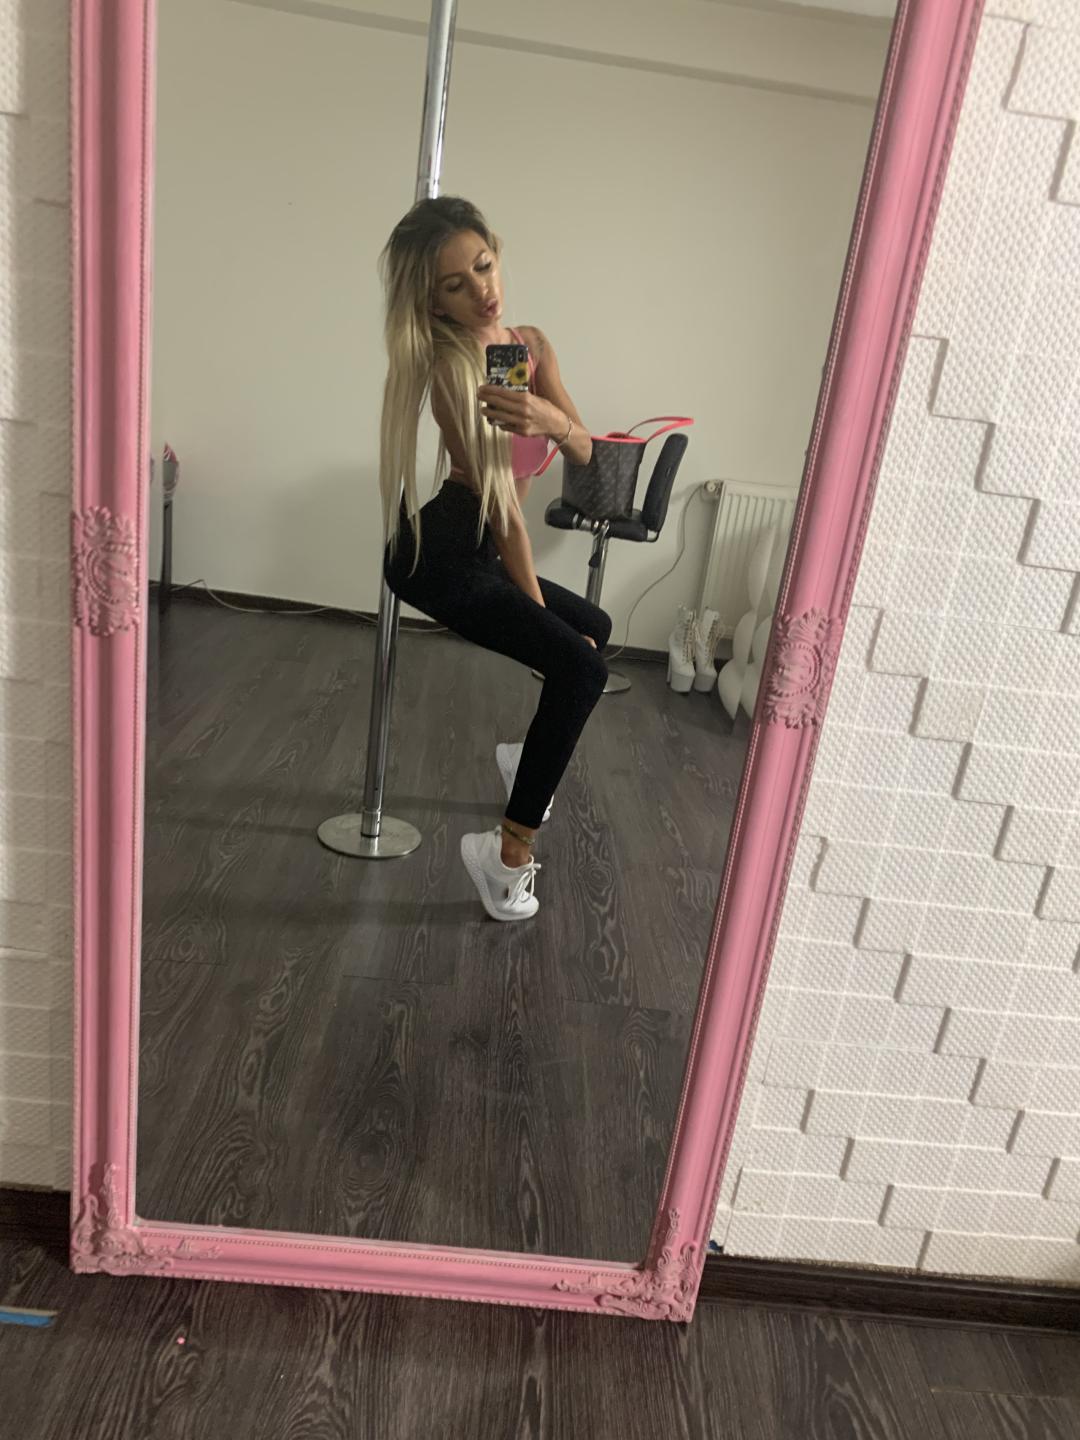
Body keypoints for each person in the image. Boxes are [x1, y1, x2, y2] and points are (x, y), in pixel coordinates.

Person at [379, 196, 610, 922]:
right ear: (434, 303)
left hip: (485, 546)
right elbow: (506, 508)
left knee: (593, 631)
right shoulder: (456, 369)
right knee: (579, 667)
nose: (482, 290)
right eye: (456, 284)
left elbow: (588, 457)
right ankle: (506, 857)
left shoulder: (516, 350)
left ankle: (520, 760)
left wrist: (551, 417)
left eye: (483, 266)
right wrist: (544, 633)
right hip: (441, 552)